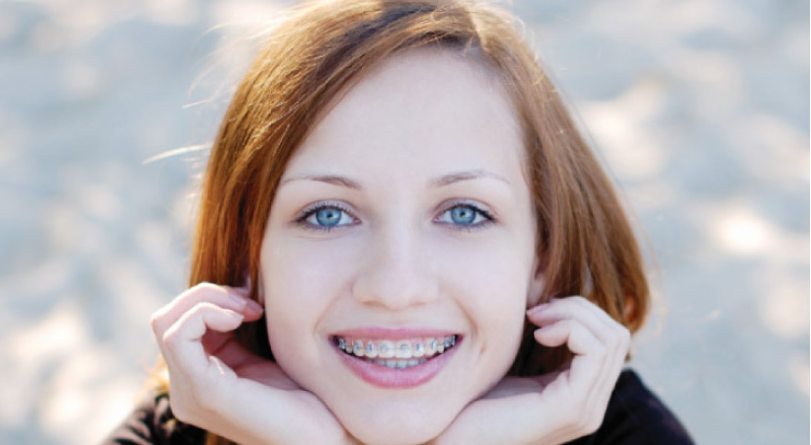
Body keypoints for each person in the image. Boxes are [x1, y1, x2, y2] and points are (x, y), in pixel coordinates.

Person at [106, 0, 695, 444]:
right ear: (247, 255)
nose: (395, 288)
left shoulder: (625, 430)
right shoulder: (177, 426)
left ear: (542, 255)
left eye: (464, 213)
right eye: (328, 214)